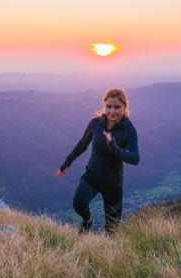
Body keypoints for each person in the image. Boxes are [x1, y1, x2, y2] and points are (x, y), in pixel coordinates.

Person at [56, 88, 140, 234]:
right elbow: (82, 144)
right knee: (79, 202)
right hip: (92, 175)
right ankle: (88, 220)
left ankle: (106, 254)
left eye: (117, 107)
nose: (112, 111)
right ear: (104, 106)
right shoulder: (95, 123)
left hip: (113, 182)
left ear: (124, 107)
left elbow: (134, 158)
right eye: (109, 106)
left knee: (112, 227)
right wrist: (66, 164)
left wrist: (114, 146)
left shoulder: (129, 130)